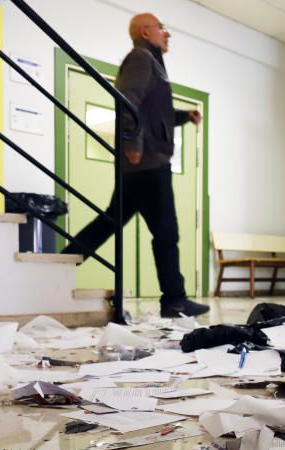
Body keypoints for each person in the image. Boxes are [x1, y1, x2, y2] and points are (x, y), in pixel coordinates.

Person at [62, 12, 209, 318]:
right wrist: (132, 145)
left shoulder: (153, 62)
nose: (167, 34)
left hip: (143, 164)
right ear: (145, 31)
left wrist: (184, 116)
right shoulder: (141, 59)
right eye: (162, 29)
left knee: (110, 221)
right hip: (147, 164)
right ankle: (174, 300)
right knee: (166, 232)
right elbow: (128, 100)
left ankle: (58, 265)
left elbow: (157, 113)